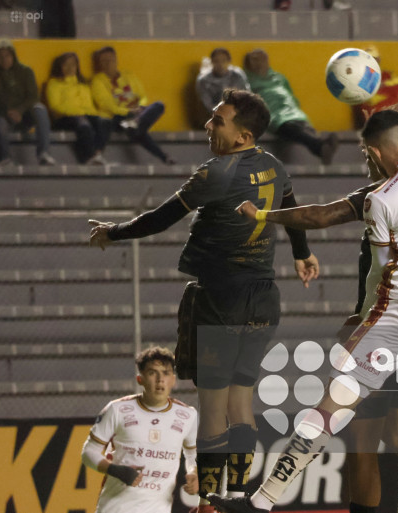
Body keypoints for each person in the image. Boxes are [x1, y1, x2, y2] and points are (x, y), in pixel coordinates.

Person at [207, 109, 398, 513]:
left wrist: (260, 214)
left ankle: (261, 502)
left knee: (332, 409)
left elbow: (381, 272)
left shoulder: (382, 198)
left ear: (374, 152)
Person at [87, 88, 320, 512]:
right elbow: (291, 209)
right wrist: (302, 252)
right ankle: (238, 495)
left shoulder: (216, 173)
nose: (208, 126)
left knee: (213, 405)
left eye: (218, 120)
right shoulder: (274, 165)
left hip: (221, 297)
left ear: (243, 135)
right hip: (264, 298)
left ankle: (212, 499)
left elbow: (160, 218)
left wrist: (113, 231)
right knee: (241, 403)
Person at [81, 346, 199, 512]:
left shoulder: (187, 415)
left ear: (173, 379)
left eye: (165, 373)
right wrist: (116, 470)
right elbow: (88, 452)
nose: (160, 380)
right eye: (152, 373)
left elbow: (193, 454)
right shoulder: (117, 409)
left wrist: (194, 473)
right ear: (140, 379)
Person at [244, 49, 338, 165]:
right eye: (254, 60)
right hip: (272, 113)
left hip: (291, 111)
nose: (259, 63)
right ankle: (319, 146)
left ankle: (319, 146)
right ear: (248, 63)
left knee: (298, 125)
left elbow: (290, 95)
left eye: (262, 59)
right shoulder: (248, 80)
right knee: (288, 126)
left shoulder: (278, 77)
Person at [91, 46, 174, 164]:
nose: (108, 64)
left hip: (136, 115)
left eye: (111, 60)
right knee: (137, 131)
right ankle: (163, 157)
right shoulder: (97, 81)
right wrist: (128, 112)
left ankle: (135, 124)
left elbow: (142, 96)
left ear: (116, 60)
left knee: (158, 105)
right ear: (99, 64)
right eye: (104, 61)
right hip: (117, 117)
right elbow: (106, 105)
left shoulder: (128, 75)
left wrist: (139, 107)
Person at [45, 52, 112, 165]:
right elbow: (55, 106)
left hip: (86, 115)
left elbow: (90, 107)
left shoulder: (84, 85)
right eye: (66, 64)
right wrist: (79, 113)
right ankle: (89, 157)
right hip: (65, 118)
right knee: (83, 123)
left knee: (104, 122)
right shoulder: (54, 84)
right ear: (60, 67)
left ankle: (97, 153)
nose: (70, 68)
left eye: (73, 64)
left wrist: (94, 115)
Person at [0, 39, 55, 166]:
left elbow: (33, 96)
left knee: (40, 109)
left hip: (25, 115)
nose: (4, 59)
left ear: (13, 56)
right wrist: (8, 112)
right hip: (3, 116)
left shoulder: (26, 71)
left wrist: (19, 111)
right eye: (0, 57)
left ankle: (43, 154)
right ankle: (4, 158)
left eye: (7, 55)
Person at [353, 45, 398, 128]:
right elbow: (370, 101)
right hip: (378, 121)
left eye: (374, 59)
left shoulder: (386, 75)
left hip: (396, 118)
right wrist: (386, 88)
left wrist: (383, 85)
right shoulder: (359, 79)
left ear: (378, 60)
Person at [196, 48, 250, 114]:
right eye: (216, 61)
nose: (220, 64)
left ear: (229, 61)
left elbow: (246, 97)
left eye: (224, 61)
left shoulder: (237, 76)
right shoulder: (204, 80)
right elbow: (207, 105)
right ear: (212, 62)